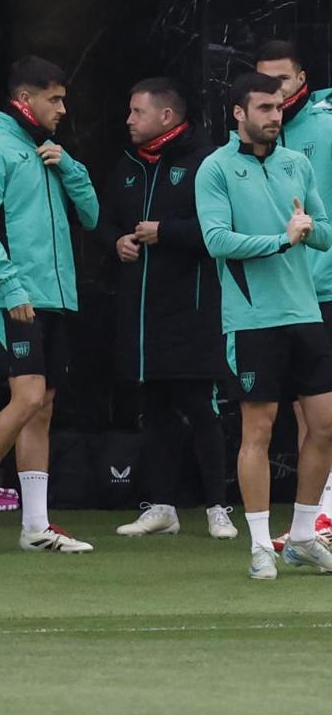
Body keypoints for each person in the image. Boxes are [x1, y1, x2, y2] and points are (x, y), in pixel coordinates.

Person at [0, 56, 99, 553]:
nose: (63, 107)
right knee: (28, 398)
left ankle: (36, 525)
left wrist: (71, 165)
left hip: (55, 297)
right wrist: (11, 288)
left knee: (43, 407)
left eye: (64, 97)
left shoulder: (49, 151)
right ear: (25, 100)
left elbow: (93, 215)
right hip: (14, 297)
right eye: (54, 99)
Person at [195, 71, 332, 579]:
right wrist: (281, 239)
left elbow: (323, 233)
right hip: (252, 321)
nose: (275, 117)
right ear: (239, 113)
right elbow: (216, 240)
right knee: (258, 430)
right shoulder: (216, 169)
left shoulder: (298, 163)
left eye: (279, 108)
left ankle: (300, 537)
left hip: (306, 314)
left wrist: (309, 229)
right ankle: (259, 545)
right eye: (265, 109)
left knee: (325, 426)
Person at [97, 78, 235, 539]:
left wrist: (166, 232)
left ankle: (218, 506)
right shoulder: (127, 166)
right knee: (153, 410)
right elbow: (105, 221)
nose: (129, 120)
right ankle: (162, 507)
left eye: (137, 112)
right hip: (141, 314)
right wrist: (115, 241)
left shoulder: (207, 163)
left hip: (192, 312)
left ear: (166, 117)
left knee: (200, 408)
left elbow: (220, 231)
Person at [253, 41, 332, 549]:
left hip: (326, 282)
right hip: (293, 289)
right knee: (309, 414)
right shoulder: (261, 138)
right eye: (264, 81)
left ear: (301, 76)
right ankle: (314, 522)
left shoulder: (324, 122)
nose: (275, 90)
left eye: (282, 79)